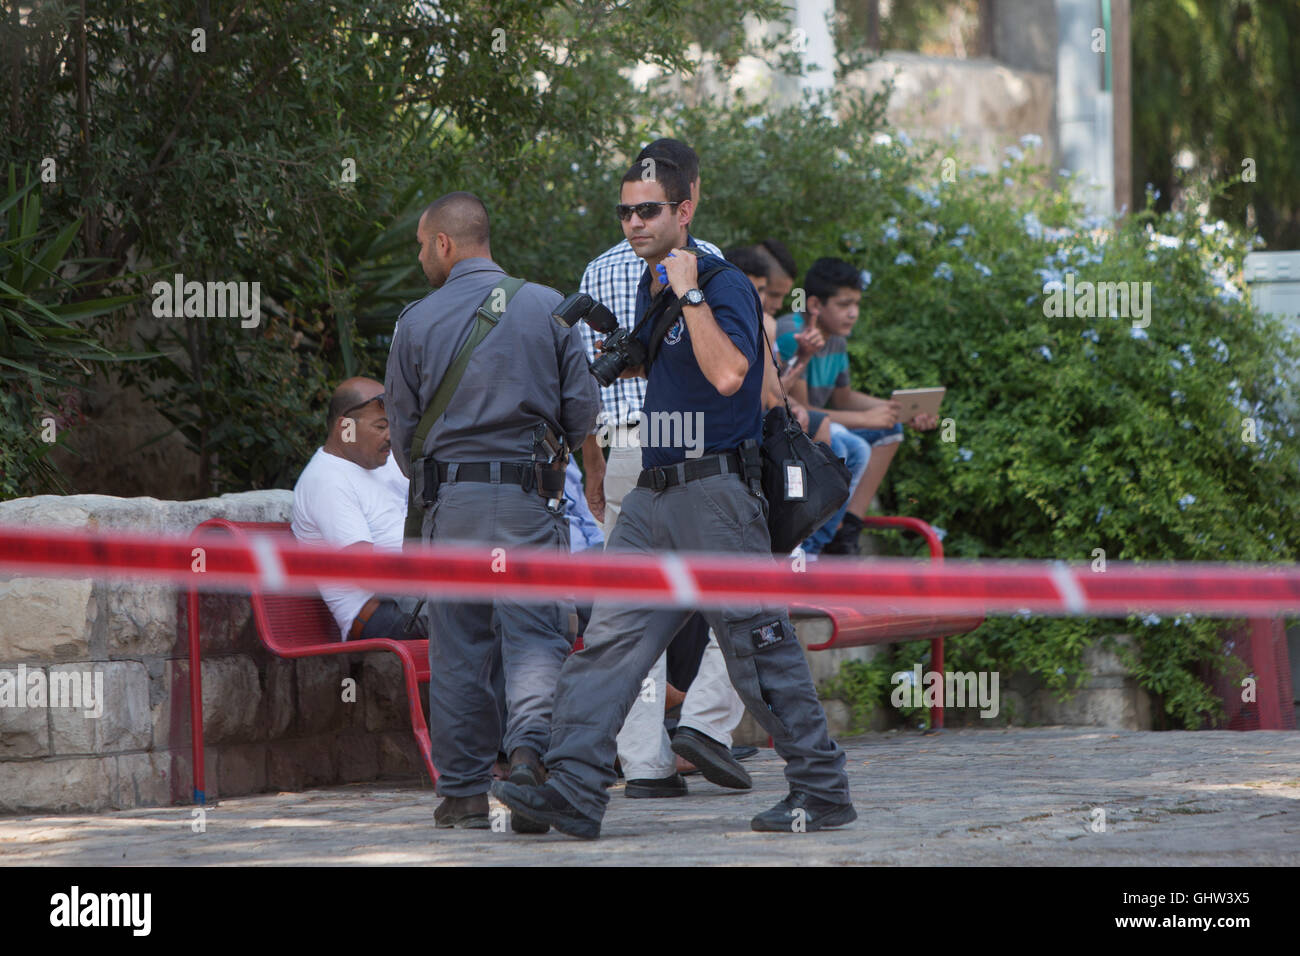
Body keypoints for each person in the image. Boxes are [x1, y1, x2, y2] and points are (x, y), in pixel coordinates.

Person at [491, 158, 855, 838]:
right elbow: (671, 369)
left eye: (649, 210)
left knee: (756, 644)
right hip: (654, 496)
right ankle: (574, 786)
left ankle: (821, 788)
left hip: (715, 494)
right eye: (626, 211)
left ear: (685, 210)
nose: (633, 223)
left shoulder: (718, 285)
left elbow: (729, 376)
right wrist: (632, 349)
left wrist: (689, 295)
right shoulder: (650, 289)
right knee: (607, 643)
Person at [385, 191, 599, 831]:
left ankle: (463, 793)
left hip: (453, 508)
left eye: (423, 244)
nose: (422, 255)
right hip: (527, 500)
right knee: (535, 635)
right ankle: (531, 756)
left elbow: (402, 435)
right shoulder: (550, 307)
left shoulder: (415, 323)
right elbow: (583, 415)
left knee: (460, 649)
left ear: (445, 243)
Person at [578, 139, 749, 799]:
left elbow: (582, 384)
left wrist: (590, 461)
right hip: (692, 453)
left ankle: (644, 764)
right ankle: (704, 724)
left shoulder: (596, 271)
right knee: (738, 589)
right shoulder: (710, 268)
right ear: (692, 195)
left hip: (622, 449)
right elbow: (731, 372)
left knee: (631, 612)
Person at [776, 257, 938, 555]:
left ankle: (847, 531)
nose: (853, 313)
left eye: (857, 304)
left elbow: (843, 397)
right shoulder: (792, 333)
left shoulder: (836, 339)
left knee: (890, 430)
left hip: (824, 425)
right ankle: (811, 545)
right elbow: (806, 410)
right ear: (815, 305)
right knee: (853, 445)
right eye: (844, 304)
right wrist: (867, 417)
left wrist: (901, 411)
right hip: (794, 432)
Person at [743, 244, 872, 558]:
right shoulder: (776, 326)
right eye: (766, 292)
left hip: (778, 415)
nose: (773, 303)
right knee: (829, 439)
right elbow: (771, 397)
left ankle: (832, 537)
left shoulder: (773, 325)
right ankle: (806, 543)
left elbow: (776, 390)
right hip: (752, 425)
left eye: (775, 294)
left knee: (857, 441)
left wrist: (802, 357)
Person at [291, 377, 427, 641]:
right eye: (381, 426)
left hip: (417, 598)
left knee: (508, 610)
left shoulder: (385, 463)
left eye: (394, 425)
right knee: (483, 624)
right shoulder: (326, 480)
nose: (392, 436)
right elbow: (367, 572)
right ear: (346, 428)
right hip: (381, 614)